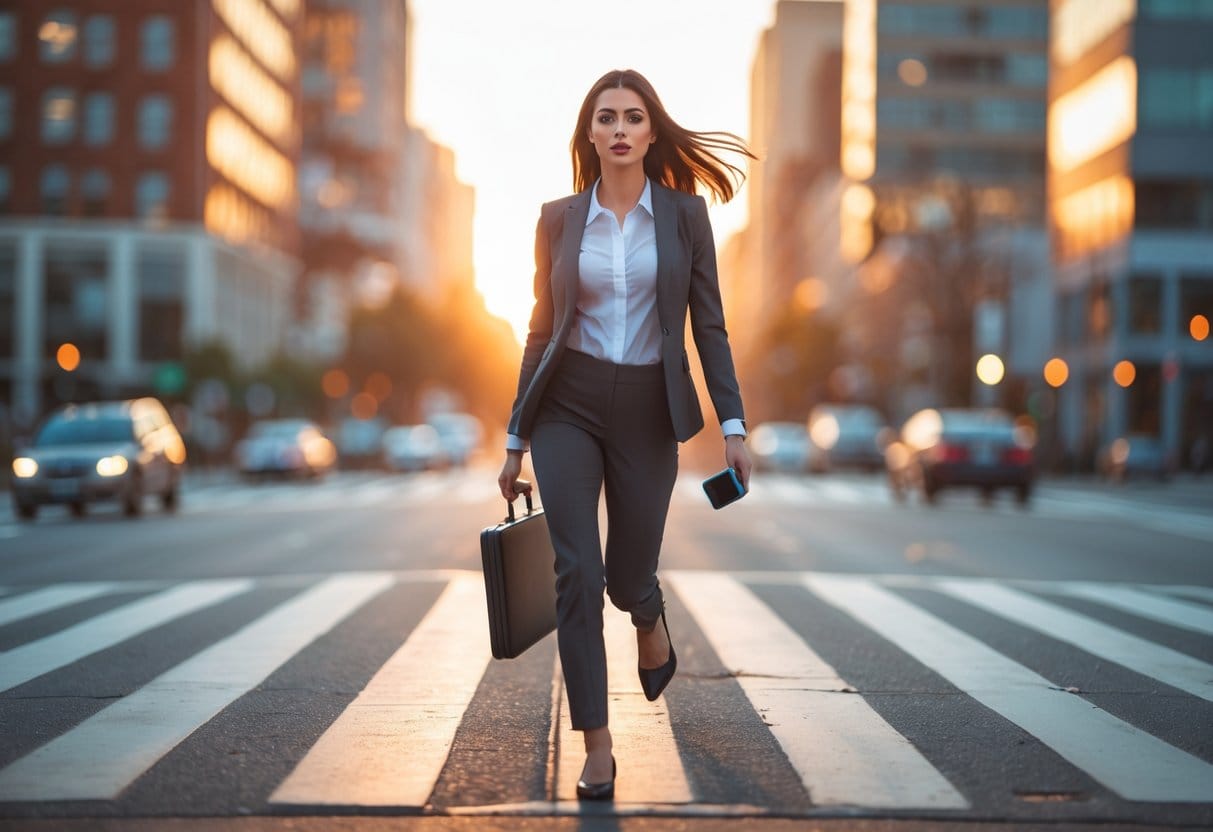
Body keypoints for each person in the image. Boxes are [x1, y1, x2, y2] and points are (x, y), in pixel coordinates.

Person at [497, 68, 753, 800]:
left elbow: (708, 324)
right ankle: (597, 745)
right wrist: (516, 438)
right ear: (589, 133)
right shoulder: (557, 219)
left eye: (631, 117)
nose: (617, 128)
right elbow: (540, 329)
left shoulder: (683, 217)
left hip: (648, 409)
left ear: (649, 131)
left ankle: (647, 612)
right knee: (575, 572)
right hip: (566, 407)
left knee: (623, 577)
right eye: (604, 117)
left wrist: (732, 423)